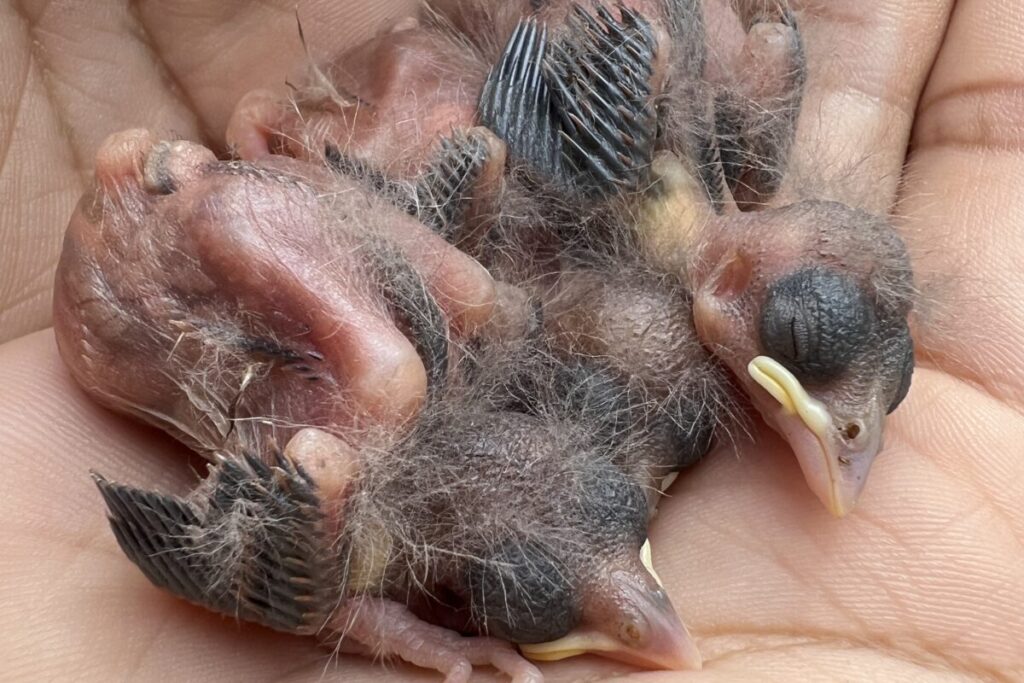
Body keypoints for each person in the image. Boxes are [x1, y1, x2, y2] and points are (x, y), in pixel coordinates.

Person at [0, 0, 1020, 679]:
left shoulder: (393, 452)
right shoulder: (401, 386)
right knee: (395, 365)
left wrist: (376, 612)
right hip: (200, 249)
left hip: (239, 272)